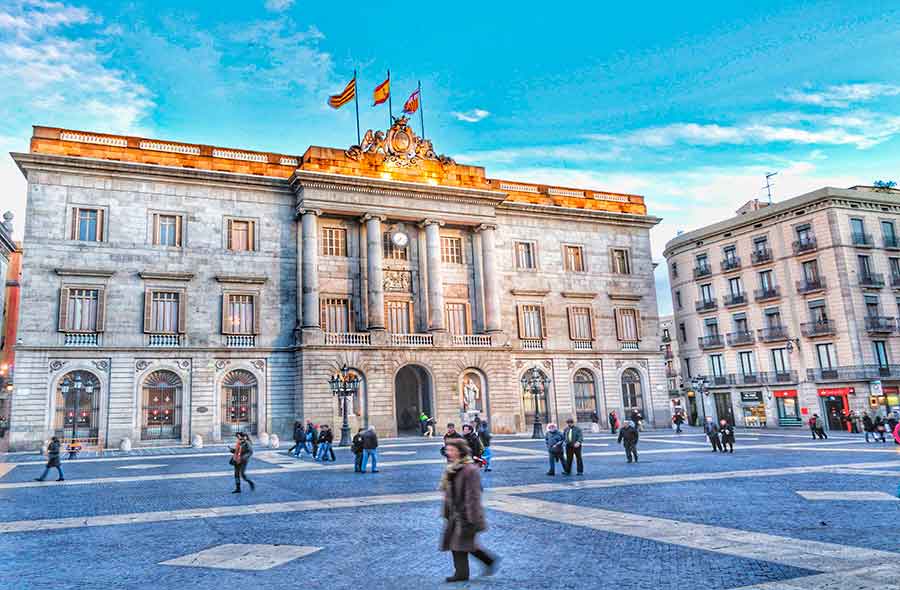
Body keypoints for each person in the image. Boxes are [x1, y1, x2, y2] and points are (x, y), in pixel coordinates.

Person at [439, 438, 498, 582]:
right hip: (455, 513)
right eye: (448, 450)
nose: (449, 452)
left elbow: (473, 496)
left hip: (467, 514)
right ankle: (486, 562)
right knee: (461, 543)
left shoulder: (469, 469)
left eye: (452, 450)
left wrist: (470, 518)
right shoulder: (453, 467)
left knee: (459, 543)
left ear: (460, 451)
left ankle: (463, 573)